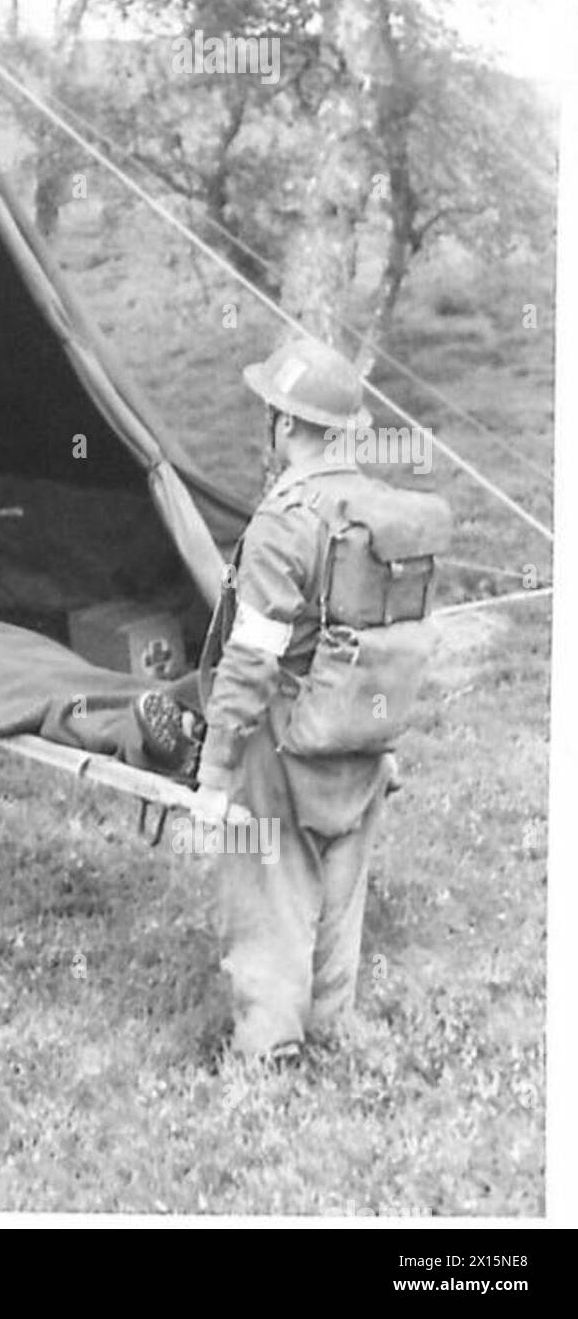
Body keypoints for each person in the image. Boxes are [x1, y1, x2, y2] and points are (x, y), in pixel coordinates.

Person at [188, 337, 409, 1063]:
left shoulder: (285, 519)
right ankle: (330, 1026)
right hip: (361, 735)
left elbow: (250, 655)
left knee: (267, 892)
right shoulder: (377, 507)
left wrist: (216, 775)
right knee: (340, 893)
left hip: (284, 742)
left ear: (284, 424)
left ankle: (270, 1048)